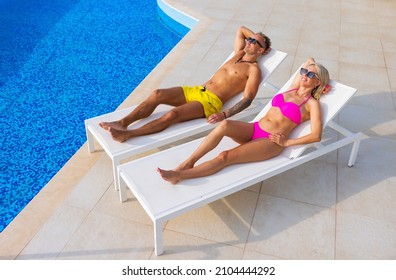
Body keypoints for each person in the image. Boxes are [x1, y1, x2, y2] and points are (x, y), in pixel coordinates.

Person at [157, 58, 330, 184]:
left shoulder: (312, 105)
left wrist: (287, 142)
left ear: (317, 82)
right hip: (254, 128)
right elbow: (308, 60)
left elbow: (316, 136)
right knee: (225, 124)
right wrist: (312, 68)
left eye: (310, 74)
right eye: (303, 72)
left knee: (225, 156)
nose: (304, 75)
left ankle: (179, 176)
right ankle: (189, 162)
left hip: (270, 142)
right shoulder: (292, 88)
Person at [99, 26, 271, 142]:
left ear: (261, 50)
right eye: (250, 39)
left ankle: (128, 134)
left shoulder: (253, 70)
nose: (249, 41)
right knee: (157, 94)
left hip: (209, 102)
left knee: (172, 115)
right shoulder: (238, 53)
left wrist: (224, 115)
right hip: (198, 89)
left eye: (253, 42)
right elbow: (241, 29)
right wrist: (256, 38)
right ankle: (123, 123)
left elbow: (248, 99)